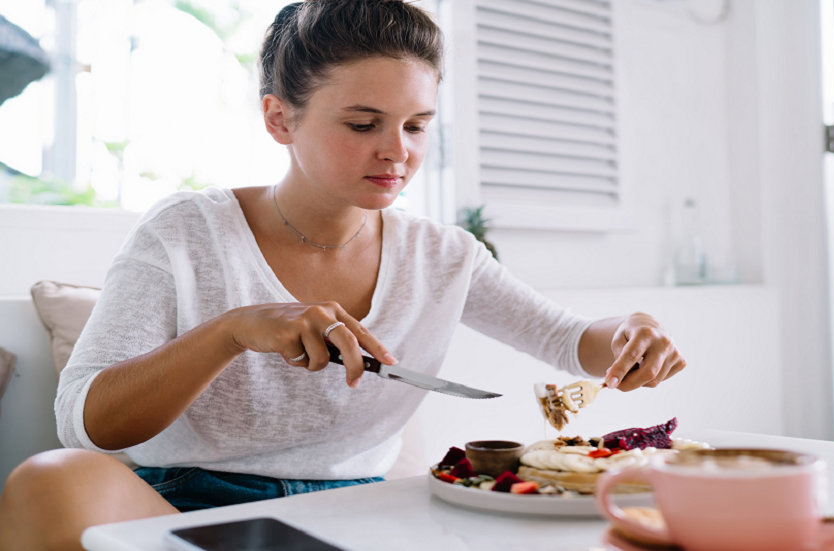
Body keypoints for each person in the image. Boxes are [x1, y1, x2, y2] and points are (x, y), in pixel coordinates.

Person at [0, 1, 687, 549]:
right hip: (182, 508)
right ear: (279, 118)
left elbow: (572, 341)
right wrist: (234, 330)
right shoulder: (187, 231)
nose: (397, 151)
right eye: (364, 123)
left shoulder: (443, 254)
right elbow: (85, 422)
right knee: (53, 481)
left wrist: (629, 334)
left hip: (361, 514)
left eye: (417, 126)